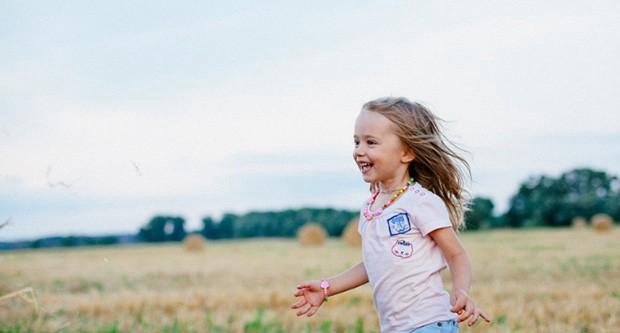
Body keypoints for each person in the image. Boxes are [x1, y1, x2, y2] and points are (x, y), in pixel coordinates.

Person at [291, 97, 492, 332]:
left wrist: (461, 290)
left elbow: (456, 254)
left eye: (371, 142)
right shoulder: (370, 208)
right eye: (356, 142)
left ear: (407, 152)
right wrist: (327, 287)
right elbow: (375, 263)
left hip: (429, 324)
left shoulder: (420, 202)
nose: (359, 151)